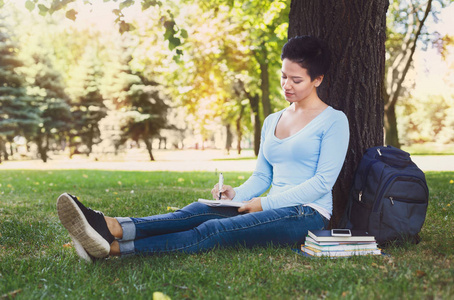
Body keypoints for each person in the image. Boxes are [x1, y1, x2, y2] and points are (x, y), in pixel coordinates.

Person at [56, 35, 350, 262]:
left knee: (214, 231)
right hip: (270, 206)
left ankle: (113, 248)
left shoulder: (333, 121)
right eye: (284, 76)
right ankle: (108, 225)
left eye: (296, 80)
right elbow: (263, 176)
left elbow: (322, 183)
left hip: (305, 214)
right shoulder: (273, 119)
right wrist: (236, 195)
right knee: (198, 210)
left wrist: (264, 204)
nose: (287, 85)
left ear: (318, 79)